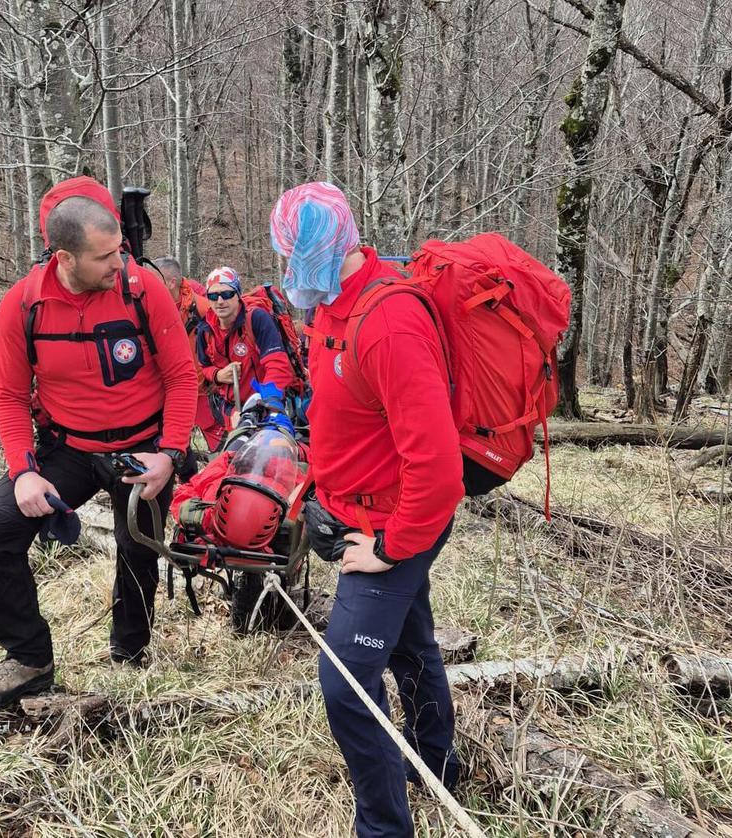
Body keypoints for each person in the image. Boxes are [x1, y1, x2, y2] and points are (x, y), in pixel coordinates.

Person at [271, 182, 464, 837]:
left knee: (344, 683)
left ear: (322, 247)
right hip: (364, 510)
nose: (288, 269)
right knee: (410, 642)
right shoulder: (334, 307)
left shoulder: (386, 321)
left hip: (395, 522)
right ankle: (436, 762)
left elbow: (438, 472)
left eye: (292, 254)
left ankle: (383, 828)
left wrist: (387, 547)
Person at [0, 176, 198, 708]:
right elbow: (8, 395)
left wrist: (169, 454)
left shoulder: (144, 289)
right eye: (106, 258)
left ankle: (130, 652)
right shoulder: (23, 306)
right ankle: (28, 659)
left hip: (142, 445)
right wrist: (24, 471)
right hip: (66, 447)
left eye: (121, 250)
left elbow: (183, 376)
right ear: (64, 257)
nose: (121, 264)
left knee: (137, 549)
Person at [194, 267, 295, 445]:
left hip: (266, 406)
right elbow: (204, 368)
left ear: (238, 294)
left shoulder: (256, 319)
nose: (219, 301)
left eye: (227, 294)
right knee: (237, 461)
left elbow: (279, 366)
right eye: (213, 296)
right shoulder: (205, 330)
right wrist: (218, 375)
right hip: (232, 411)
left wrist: (260, 404)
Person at [155, 256, 217, 453]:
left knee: (220, 450)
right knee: (173, 451)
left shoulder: (203, 309)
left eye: (157, 279)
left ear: (171, 282)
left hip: (205, 391)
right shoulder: (150, 307)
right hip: (169, 393)